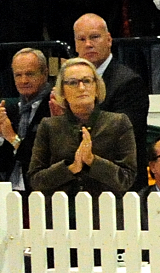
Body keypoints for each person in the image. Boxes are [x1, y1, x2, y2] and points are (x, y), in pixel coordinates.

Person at [27, 57, 137, 209]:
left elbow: (126, 179)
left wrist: (92, 161)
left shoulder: (118, 123)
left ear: (97, 87)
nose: (81, 87)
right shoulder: (49, 126)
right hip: (60, 213)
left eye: (87, 81)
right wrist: (70, 168)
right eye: (73, 82)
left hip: (107, 213)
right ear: (62, 91)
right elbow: (35, 180)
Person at [72, 12, 149, 190]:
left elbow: (121, 135)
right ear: (75, 45)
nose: (88, 44)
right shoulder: (68, 83)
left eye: (94, 37)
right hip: (79, 185)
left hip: (120, 184)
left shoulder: (129, 82)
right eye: (81, 39)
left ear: (109, 40)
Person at [0, 48, 55, 191]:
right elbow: (4, 162)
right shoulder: (11, 109)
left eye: (30, 74)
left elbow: (44, 159)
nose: (23, 80)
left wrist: (12, 137)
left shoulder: (54, 107)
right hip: (10, 189)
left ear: (45, 73)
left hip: (42, 190)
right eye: (18, 75)